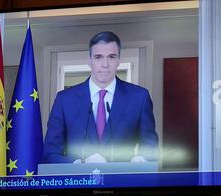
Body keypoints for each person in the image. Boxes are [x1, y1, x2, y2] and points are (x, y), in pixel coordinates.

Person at [42, 31, 159, 164]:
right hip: (78, 182)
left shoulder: (139, 97)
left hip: (122, 182)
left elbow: (151, 150)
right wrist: (80, 164)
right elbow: (49, 154)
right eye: (98, 57)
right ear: (89, 61)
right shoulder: (64, 100)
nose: (105, 64)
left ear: (119, 61)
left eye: (111, 57)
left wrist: (142, 160)